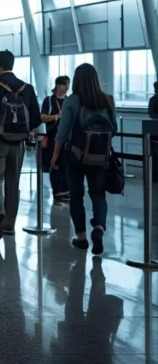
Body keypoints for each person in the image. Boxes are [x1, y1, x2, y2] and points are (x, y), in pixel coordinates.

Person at [50, 64, 117, 255]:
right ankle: (99, 228)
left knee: (77, 196)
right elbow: (114, 129)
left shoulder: (72, 101)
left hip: (75, 156)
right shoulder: (107, 100)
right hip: (100, 156)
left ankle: (81, 238)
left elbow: (62, 134)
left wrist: (54, 157)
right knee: (98, 194)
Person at [0, 50, 41, 241]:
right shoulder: (26, 88)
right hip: (18, 144)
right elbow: (36, 118)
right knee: (13, 183)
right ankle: (10, 226)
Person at [41, 76, 71, 204]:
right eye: (64, 84)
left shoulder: (70, 101)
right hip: (53, 137)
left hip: (68, 138)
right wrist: (57, 116)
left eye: (68, 84)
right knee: (55, 164)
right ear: (58, 85)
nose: (67, 87)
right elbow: (42, 117)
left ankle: (66, 191)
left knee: (67, 164)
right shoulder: (49, 100)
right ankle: (57, 192)